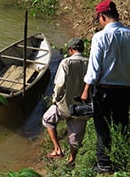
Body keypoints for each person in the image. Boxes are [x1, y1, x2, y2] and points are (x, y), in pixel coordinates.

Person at [81, 0, 130, 173]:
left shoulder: (100, 37)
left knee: (102, 127)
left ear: (102, 17)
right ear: (116, 15)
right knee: (121, 124)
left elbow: (94, 69)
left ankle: (103, 163)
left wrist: (86, 90)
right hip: (124, 90)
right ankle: (121, 160)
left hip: (104, 90)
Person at [42, 38, 89, 167]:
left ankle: (57, 149)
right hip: (82, 108)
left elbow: (59, 85)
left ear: (70, 50)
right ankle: (71, 159)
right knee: (75, 139)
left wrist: (55, 100)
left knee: (48, 119)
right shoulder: (90, 62)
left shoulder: (66, 62)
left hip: (64, 105)